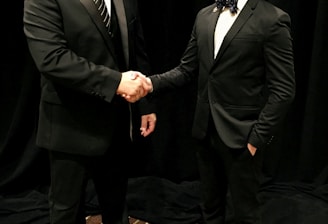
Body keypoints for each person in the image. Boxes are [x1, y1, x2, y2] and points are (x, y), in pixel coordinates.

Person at [135, 0, 296, 223]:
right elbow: (186, 70)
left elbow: (284, 90)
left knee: (244, 213)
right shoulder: (204, 15)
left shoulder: (272, 19)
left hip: (242, 136)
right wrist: (150, 84)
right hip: (204, 131)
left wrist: (257, 137)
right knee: (210, 209)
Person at [23, 0, 156, 223]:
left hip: (117, 120)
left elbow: (135, 49)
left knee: (116, 202)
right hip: (70, 122)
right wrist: (116, 83)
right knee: (67, 209)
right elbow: (52, 58)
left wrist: (145, 103)